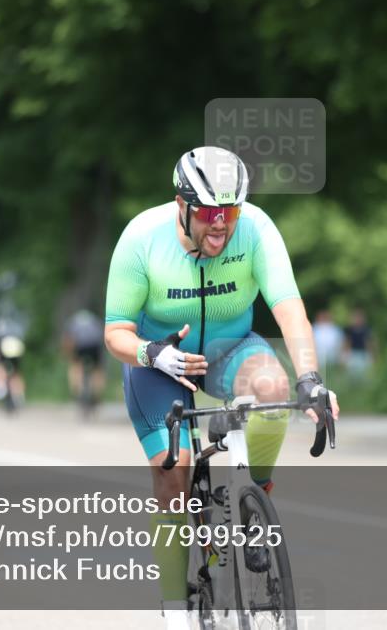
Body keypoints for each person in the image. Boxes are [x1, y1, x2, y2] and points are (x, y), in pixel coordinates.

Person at [104, 146, 340, 629]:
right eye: (209, 212)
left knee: (273, 390)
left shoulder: (255, 228)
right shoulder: (141, 239)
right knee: (175, 474)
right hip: (159, 359)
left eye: (229, 211)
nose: (221, 224)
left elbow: (288, 305)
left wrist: (311, 379)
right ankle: (175, 610)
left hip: (232, 347)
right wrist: (153, 353)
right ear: (181, 204)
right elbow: (116, 334)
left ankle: (254, 504)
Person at [63, 308, 106, 414]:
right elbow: (103, 336)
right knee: (98, 369)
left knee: (75, 366)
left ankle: (78, 392)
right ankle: (96, 395)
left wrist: (69, 355)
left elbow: (69, 339)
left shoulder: (73, 321)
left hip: (80, 345)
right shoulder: (95, 320)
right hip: (95, 345)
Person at [343, 308, 374, 378]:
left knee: (364, 373)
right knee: (351, 373)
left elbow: (369, 343)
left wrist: (371, 355)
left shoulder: (366, 329)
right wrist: (345, 355)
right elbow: (347, 342)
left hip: (363, 353)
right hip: (352, 353)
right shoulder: (349, 329)